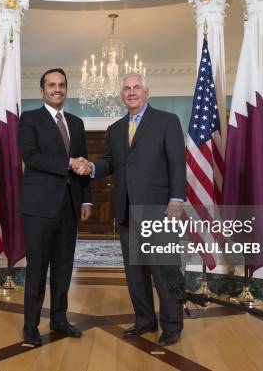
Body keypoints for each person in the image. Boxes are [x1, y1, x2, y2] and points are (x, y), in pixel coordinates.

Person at [77, 72, 186, 346]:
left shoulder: (167, 121)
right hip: (125, 210)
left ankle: (172, 325)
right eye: (126, 88)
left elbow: (177, 163)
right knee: (134, 271)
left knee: (165, 270)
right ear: (121, 94)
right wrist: (90, 167)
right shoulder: (114, 129)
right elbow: (108, 163)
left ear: (146, 92)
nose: (132, 92)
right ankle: (145, 319)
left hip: (159, 209)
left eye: (137, 87)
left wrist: (176, 199)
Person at [17, 68, 92, 347]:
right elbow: (31, 157)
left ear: (66, 89)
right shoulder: (30, 119)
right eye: (51, 85)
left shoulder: (76, 122)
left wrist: (86, 198)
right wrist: (67, 163)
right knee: (37, 268)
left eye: (61, 85)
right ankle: (30, 326)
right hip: (38, 208)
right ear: (42, 90)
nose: (57, 89)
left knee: (63, 267)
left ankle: (59, 319)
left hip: (69, 206)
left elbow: (83, 163)